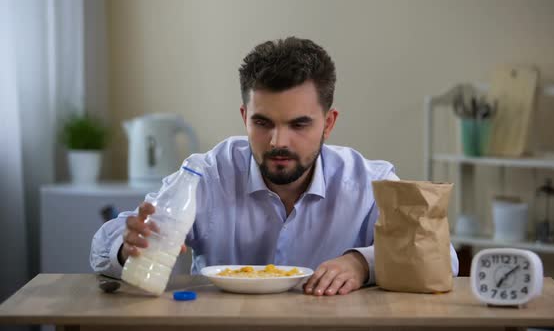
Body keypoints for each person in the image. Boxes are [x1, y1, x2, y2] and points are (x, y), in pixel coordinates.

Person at [90, 36, 458, 296]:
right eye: (263, 123)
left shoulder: (367, 181)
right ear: (244, 116)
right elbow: (102, 250)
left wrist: (363, 264)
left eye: (299, 125)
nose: (278, 142)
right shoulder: (206, 173)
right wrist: (127, 246)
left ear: (328, 123)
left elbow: (443, 258)